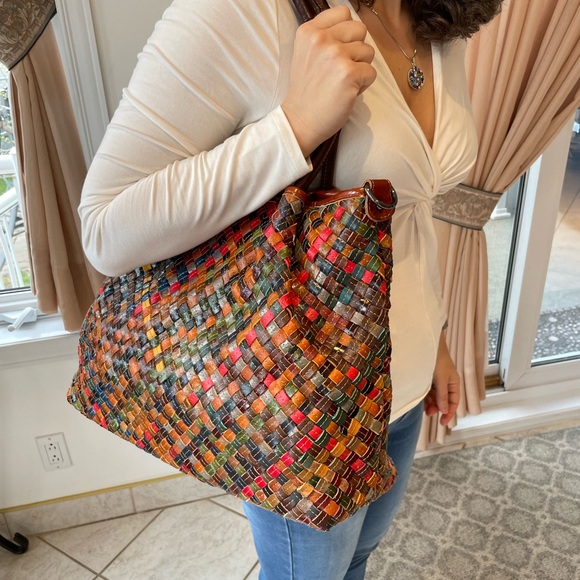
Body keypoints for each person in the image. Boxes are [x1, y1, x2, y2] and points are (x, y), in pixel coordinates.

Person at [79, 0, 502, 578]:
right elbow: (106, 230)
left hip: (403, 382)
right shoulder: (242, 11)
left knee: (358, 558)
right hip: (303, 404)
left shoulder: (440, 14)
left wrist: (439, 340)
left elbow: (411, 209)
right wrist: (294, 126)